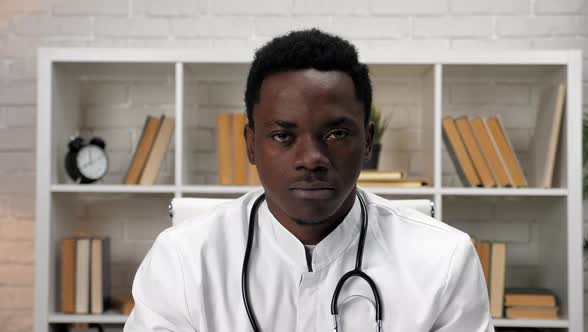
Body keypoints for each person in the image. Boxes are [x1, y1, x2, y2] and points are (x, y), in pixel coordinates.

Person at [124, 29, 494, 331]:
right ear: (251, 145)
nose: (311, 159)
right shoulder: (183, 260)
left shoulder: (444, 260)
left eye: (335, 134)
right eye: (283, 136)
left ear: (367, 142)